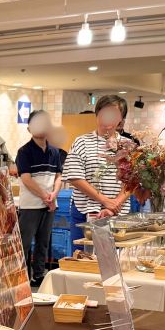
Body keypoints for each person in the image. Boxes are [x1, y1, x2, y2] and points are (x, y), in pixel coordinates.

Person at [63, 95, 130, 244]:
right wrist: (105, 201)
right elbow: (75, 177)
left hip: (117, 212)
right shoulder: (81, 142)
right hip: (84, 210)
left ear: (121, 119)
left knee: (114, 255)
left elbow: (133, 181)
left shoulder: (128, 145)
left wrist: (115, 204)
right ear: (97, 114)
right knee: (82, 254)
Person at [15, 110, 62, 286]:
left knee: (43, 242)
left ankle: (39, 275)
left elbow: (59, 176)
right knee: (24, 243)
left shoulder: (55, 152)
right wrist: (45, 196)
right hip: (30, 205)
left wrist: (54, 195)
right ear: (29, 128)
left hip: (49, 204)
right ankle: (20, 277)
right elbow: (26, 179)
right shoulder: (24, 152)